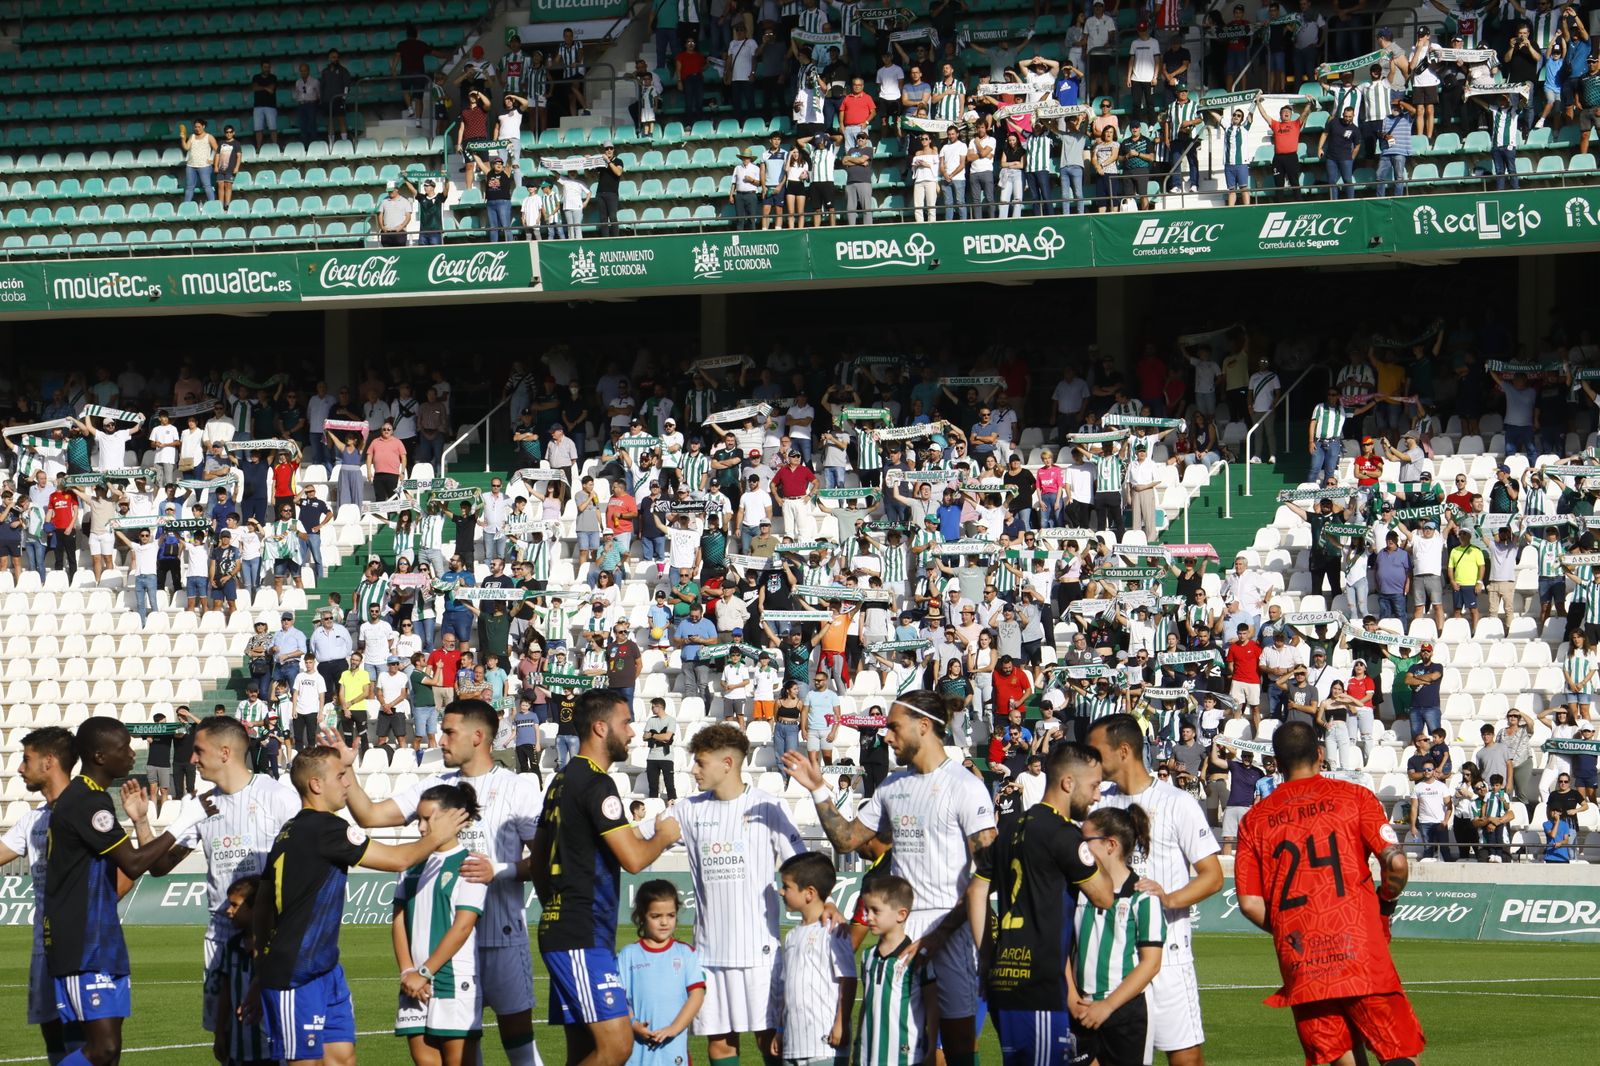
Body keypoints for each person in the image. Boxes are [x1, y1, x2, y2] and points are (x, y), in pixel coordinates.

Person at [783, 690, 996, 1066]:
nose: (886, 736)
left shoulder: (965, 786)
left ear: (924, 727)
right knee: (891, 1039)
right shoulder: (892, 787)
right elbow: (847, 839)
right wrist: (818, 789)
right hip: (899, 931)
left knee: (959, 1044)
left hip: (951, 929)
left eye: (894, 727)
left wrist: (942, 933)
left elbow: (987, 871)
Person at [254, 745, 469, 1066]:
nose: (346, 783)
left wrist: (259, 957)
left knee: (342, 1057)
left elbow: (261, 904)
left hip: (324, 968)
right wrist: (437, 835)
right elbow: (399, 859)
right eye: (340, 776)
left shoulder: (292, 830)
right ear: (316, 784)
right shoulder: (324, 827)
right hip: (294, 972)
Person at [1234, 722, 1425, 1066]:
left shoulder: (1254, 820)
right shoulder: (1355, 797)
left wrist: (1288, 925)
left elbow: (1249, 903)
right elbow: (1395, 863)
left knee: (1339, 1056)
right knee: (1397, 1050)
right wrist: (1384, 903)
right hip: (1360, 947)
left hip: (1303, 959)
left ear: (1275, 761)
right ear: (1320, 754)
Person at [120, 715, 300, 1039]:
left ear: (225, 752)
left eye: (198, 751)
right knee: (225, 1042)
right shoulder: (203, 804)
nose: (191, 759)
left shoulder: (278, 797)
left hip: (268, 936)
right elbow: (159, 867)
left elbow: (302, 867)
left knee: (276, 1039)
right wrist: (141, 821)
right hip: (220, 936)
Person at [529, 689, 683, 1066]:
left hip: (566, 928)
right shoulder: (597, 783)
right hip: (581, 932)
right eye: (626, 722)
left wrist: (554, 905)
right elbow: (632, 859)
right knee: (617, 1046)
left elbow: (537, 860)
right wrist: (664, 835)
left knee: (583, 1050)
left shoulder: (561, 780)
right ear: (600, 728)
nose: (632, 732)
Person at [43, 717, 206, 1066]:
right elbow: (132, 864)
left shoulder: (92, 797)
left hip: (101, 938)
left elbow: (144, 866)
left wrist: (140, 822)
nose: (133, 754)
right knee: (102, 1050)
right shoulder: (86, 801)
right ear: (100, 756)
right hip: (81, 942)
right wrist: (184, 820)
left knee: (109, 1053)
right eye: (124, 748)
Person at [657, 724, 803, 1066]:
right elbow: (638, 841)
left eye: (700, 763)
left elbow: (802, 866)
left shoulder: (769, 807)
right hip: (708, 955)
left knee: (772, 1041)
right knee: (720, 1045)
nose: (694, 770)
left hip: (760, 953)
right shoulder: (687, 809)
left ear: (727, 763)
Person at [1087, 714, 1223, 1066]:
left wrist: (1169, 898)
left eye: (1097, 752)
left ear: (1124, 751)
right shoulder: (1098, 806)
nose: (1091, 760)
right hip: (1114, 960)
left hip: (1168, 955)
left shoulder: (1178, 803)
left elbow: (1212, 876)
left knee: (1185, 1057)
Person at [969, 740, 1114, 1065]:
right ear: (1068, 783)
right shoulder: (1064, 835)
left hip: (1005, 978)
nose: (1097, 796)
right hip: (1039, 985)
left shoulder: (1010, 829)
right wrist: (1099, 848)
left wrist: (988, 955)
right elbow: (1104, 896)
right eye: (1093, 786)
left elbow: (976, 891)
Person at [0, 728, 83, 1065]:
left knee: (85, 1034)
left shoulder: (85, 811)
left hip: (79, 943)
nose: (20, 768)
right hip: (42, 943)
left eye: (26, 760)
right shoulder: (33, 820)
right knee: (51, 1029)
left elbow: (122, 874)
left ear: (49, 762)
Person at [392, 783, 488, 1066]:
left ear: (453, 818)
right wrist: (408, 971)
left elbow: (462, 928)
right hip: (413, 982)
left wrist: (424, 971)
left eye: (427, 819)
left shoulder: (469, 864)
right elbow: (398, 919)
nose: (420, 827)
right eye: (417, 819)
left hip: (452, 981)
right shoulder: (409, 862)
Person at [1073, 805, 1166, 1066]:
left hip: (1126, 1013)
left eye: (1086, 841)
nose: (1080, 848)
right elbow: (1064, 951)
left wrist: (1108, 1006)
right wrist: (1073, 1002)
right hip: (1080, 1009)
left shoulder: (1143, 896)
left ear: (1111, 845)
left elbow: (1151, 963)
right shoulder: (1077, 890)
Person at [772, 852, 858, 1066]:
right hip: (793, 1043)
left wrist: (841, 1023)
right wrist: (781, 1030)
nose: (781, 892)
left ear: (809, 892)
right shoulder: (792, 935)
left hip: (824, 1045)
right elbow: (786, 988)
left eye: (787, 886)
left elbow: (848, 979)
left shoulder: (834, 931)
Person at [618, 880, 706, 1066]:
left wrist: (674, 1028)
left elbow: (697, 995)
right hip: (637, 1052)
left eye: (671, 915)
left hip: (674, 1050)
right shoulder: (628, 954)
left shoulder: (685, 953)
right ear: (642, 916)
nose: (664, 922)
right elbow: (619, 998)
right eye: (656, 916)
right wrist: (634, 1024)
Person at [212, 876, 273, 1066]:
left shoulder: (275, 947)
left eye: (235, 905)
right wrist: (220, 1032)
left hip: (270, 1049)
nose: (229, 911)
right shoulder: (232, 946)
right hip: (239, 1050)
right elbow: (226, 992)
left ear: (255, 908)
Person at [179, 118, 219, 203]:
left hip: (204, 166)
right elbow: (186, 147)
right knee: (189, 187)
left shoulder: (209, 137)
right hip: (191, 165)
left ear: (203, 126)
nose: (197, 128)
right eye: (195, 127)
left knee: (207, 186)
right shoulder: (192, 136)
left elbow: (217, 149)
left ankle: (213, 204)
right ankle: (186, 205)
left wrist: (212, 160)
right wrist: (183, 139)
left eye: (199, 127)